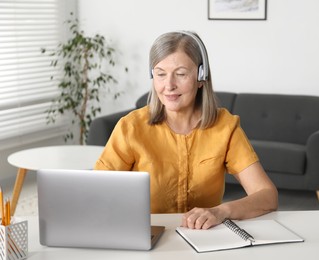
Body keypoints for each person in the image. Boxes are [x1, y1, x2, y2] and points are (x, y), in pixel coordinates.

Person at [94, 31, 278, 230]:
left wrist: (221, 211)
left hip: (205, 238)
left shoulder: (225, 126)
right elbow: (96, 193)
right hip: (145, 235)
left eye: (181, 74)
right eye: (160, 74)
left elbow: (267, 195)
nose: (169, 85)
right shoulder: (130, 127)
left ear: (201, 77)